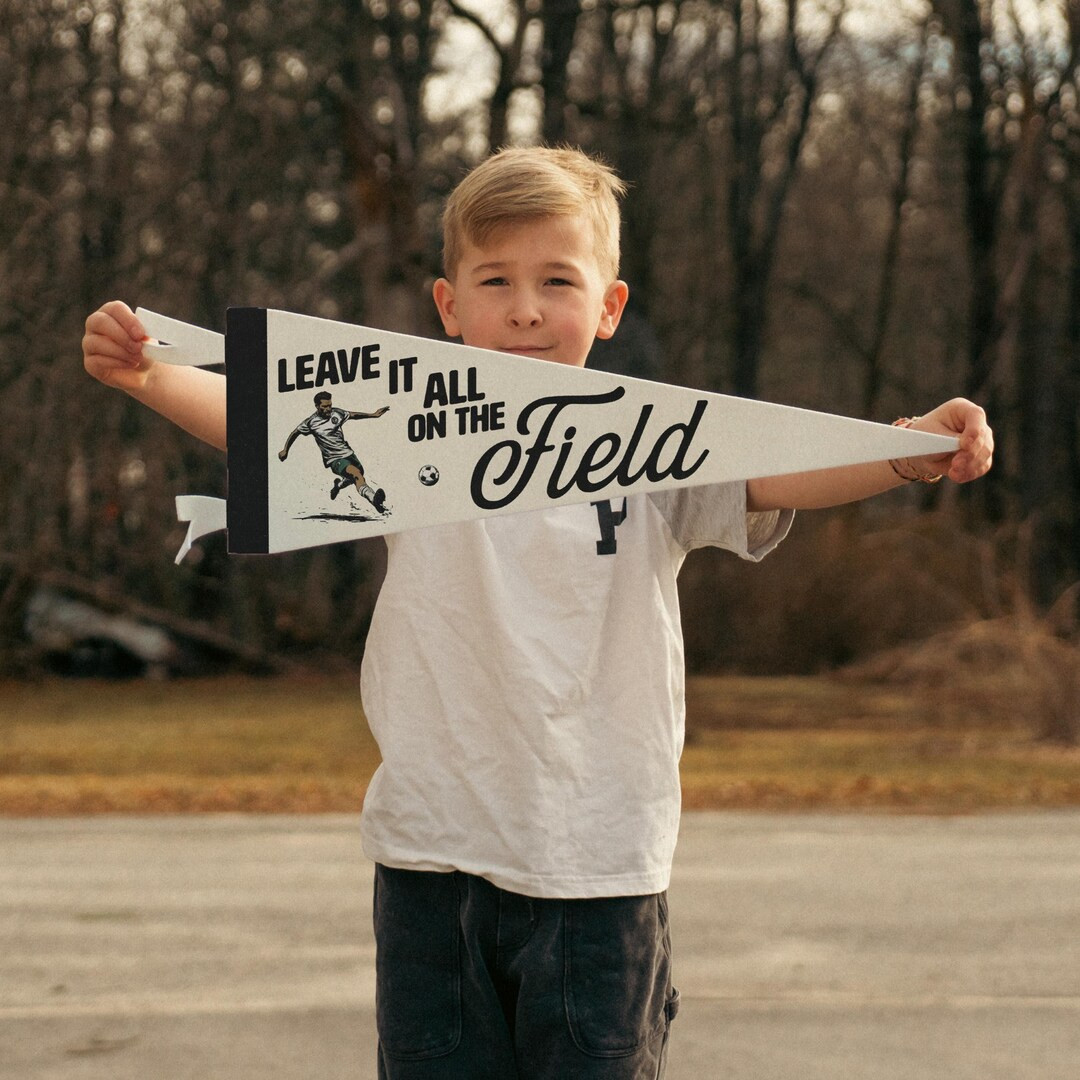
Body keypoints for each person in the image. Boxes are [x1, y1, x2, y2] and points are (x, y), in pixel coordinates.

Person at [82, 145, 993, 1079]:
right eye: (496, 279)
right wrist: (150, 377)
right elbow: (269, 431)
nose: (525, 306)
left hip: (599, 865)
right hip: (432, 859)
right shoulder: (406, 437)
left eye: (557, 280)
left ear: (608, 307)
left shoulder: (650, 443)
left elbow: (775, 468)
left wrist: (905, 449)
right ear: (449, 308)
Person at [278, 390, 390, 512]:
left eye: (330, 405)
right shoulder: (311, 422)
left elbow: (353, 415)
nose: (328, 409)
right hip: (334, 459)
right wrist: (285, 450)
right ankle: (374, 499)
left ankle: (338, 485)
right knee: (356, 474)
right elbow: (295, 433)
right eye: (324, 406)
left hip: (348, 453)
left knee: (358, 475)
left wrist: (373, 414)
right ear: (317, 406)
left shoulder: (337, 413)